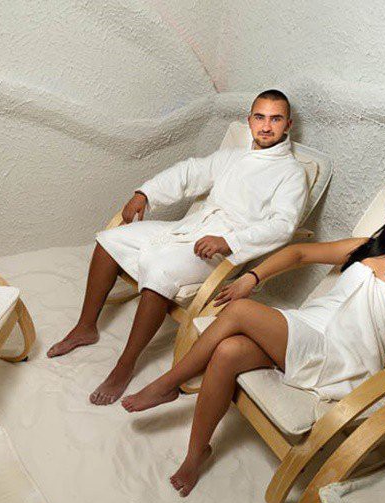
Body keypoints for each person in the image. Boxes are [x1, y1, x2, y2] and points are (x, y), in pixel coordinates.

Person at [121, 185, 385, 496]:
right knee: (228, 351)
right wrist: (252, 276)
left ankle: (169, 384)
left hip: (340, 357)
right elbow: (299, 253)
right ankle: (197, 453)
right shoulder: (368, 248)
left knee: (239, 310)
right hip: (305, 330)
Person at [47, 90, 309, 405]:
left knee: (160, 270)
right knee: (109, 240)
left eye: (275, 119)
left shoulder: (291, 174)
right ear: (249, 120)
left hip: (222, 250)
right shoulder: (233, 157)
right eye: (260, 117)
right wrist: (145, 194)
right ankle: (86, 326)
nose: (266, 126)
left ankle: (125, 364)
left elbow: (283, 225)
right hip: (191, 228)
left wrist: (230, 242)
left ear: (288, 125)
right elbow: (189, 172)